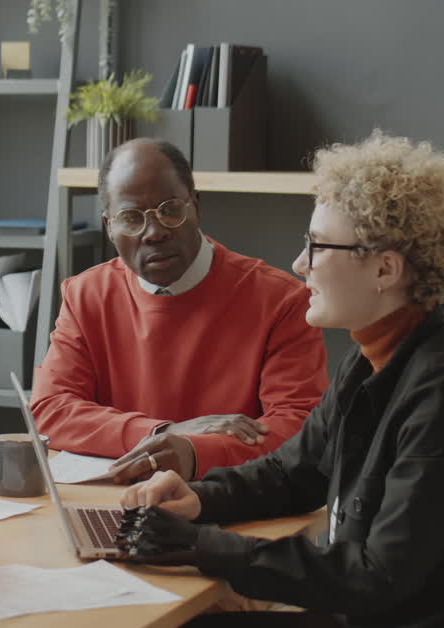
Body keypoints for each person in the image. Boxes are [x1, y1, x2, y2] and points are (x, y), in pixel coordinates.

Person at [110, 131, 444, 628]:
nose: (299, 264)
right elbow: (294, 473)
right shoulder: (371, 361)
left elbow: (375, 576)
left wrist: (200, 547)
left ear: (385, 269)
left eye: (318, 246)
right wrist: (197, 500)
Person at [30, 138, 328, 483]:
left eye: (170, 209)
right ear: (109, 227)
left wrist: (191, 452)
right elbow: (50, 408)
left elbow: (297, 427)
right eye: (131, 218)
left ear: (196, 207)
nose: (154, 232)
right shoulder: (86, 296)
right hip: (114, 502)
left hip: (230, 506)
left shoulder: (281, 301)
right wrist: (163, 433)